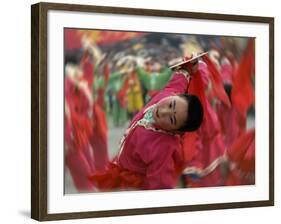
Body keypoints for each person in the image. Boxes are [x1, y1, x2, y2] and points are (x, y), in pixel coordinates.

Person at [89, 55, 204, 191]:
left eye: (172, 120)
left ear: (176, 132)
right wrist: (187, 68)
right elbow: (178, 82)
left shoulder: (163, 148)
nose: (164, 112)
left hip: (131, 183)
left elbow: (160, 184)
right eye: (171, 105)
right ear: (174, 96)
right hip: (123, 161)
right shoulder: (168, 94)